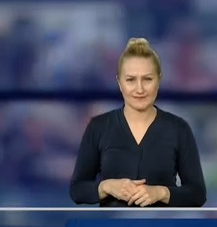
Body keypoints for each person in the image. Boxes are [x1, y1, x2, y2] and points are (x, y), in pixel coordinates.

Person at [69, 38, 207, 208]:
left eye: (147, 79)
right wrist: (106, 187)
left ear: (159, 80)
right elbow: (77, 190)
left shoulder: (179, 128)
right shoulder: (98, 127)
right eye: (131, 80)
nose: (139, 89)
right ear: (119, 82)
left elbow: (197, 194)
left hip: (164, 223)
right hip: (112, 223)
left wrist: (161, 193)